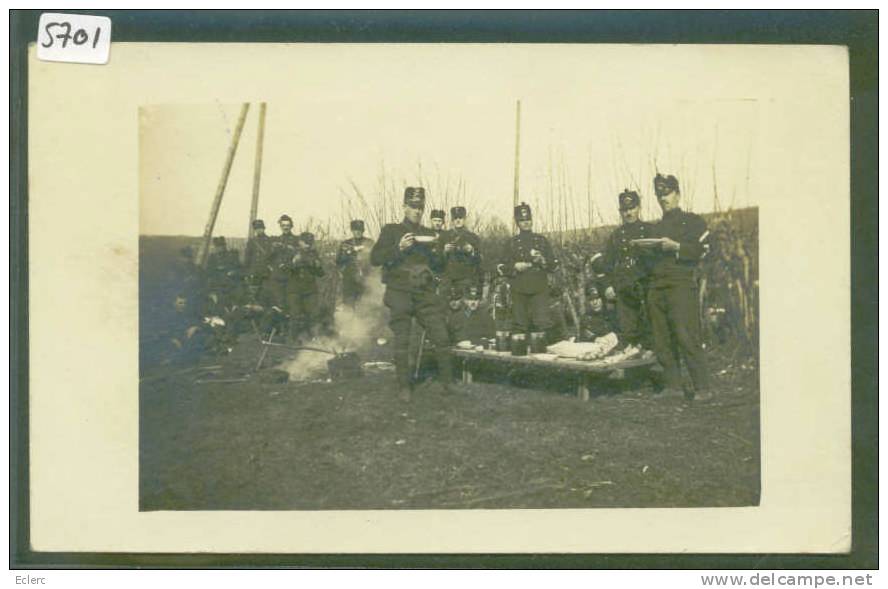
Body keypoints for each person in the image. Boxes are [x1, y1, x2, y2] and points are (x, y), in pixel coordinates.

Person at [370, 187, 454, 401]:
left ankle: (447, 385)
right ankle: (404, 387)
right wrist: (399, 248)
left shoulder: (428, 233)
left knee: (441, 336)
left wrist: (439, 253)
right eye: (413, 206)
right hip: (400, 292)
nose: (417, 211)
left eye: (420, 207)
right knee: (403, 339)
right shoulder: (391, 231)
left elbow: (438, 266)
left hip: (424, 292)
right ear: (404, 207)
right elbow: (375, 258)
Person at [646, 173, 712, 402]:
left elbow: (705, 250)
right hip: (657, 287)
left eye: (667, 193)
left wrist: (677, 247)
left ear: (678, 194)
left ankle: (703, 387)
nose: (663, 198)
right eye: (659, 194)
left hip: (681, 285)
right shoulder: (655, 228)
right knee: (662, 338)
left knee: (687, 336)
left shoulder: (693, 222)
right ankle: (673, 386)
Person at [597, 189, 654, 349]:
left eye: (632, 208)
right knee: (629, 333)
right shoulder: (616, 236)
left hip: (646, 288)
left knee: (651, 330)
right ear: (620, 212)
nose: (629, 213)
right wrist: (608, 286)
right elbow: (606, 265)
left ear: (638, 208)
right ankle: (632, 370)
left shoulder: (649, 230)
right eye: (625, 210)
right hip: (624, 291)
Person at [499, 202, 558, 353]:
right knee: (520, 326)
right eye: (522, 220)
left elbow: (553, 265)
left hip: (539, 288)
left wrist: (542, 261)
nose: (526, 223)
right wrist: (515, 266)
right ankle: (520, 363)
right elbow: (500, 267)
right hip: (519, 288)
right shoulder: (511, 243)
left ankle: (544, 360)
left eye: (528, 220)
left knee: (542, 324)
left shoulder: (542, 241)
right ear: (518, 223)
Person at [287, 231, 325, 341]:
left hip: (310, 290)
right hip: (294, 289)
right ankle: (292, 340)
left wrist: (317, 266)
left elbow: (321, 274)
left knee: (313, 315)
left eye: (310, 243)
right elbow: (284, 270)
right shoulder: (292, 252)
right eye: (306, 242)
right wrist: (294, 262)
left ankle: (314, 338)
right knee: (294, 315)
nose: (308, 245)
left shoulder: (314, 254)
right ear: (300, 242)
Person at [267, 214, 300, 340]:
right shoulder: (275, 240)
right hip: (278, 278)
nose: (285, 228)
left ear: (291, 226)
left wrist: (286, 247)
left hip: (292, 277)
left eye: (288, 225)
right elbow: (268, 258)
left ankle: (292, 333)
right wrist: (272, 267)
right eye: (283, 225)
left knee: (292, 305)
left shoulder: (297, 240)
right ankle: (281, 330)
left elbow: (300, 254)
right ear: (280, 226)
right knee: (279, 305)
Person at [442, 205, 483, 294]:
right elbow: (436, 260)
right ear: (452, 220)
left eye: (460, 218)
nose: (458, 220)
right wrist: (444, 251)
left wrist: (472, 251)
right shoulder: (444, 236)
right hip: (448, 279)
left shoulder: (473, 238)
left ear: (464, 219)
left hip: (466, 279)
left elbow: (480, 260)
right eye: (455, 218)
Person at [336, 219, 375, 307]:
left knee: (366, 303)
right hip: (349, 277)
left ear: (363, 230)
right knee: (349, 303)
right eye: (355, 230)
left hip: (366, 277)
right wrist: (350, 252)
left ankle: (367, 320)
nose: (358, 232)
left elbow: (375, 259)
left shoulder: (369, 242)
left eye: (360, 230)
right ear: (352, 231)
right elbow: (338, 260)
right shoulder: (345, 243)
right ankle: (349, 320)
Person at [243, 219, 273, 287]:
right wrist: (246, 272)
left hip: (266, 273)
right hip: (254, 272)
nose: (259, 230)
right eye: (257, 228)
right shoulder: (252, 241)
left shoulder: (269, 240)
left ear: (264, 228)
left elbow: (272, 256)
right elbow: (247, 258)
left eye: (260, 228)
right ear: (255, 230)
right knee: (254, 293)